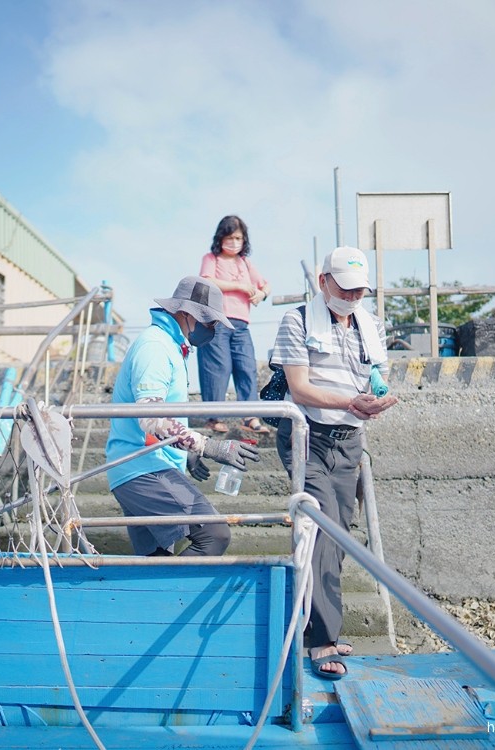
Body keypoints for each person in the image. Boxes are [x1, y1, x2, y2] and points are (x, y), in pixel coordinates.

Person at [270, 247, 399, 680]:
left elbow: (375, 370)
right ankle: (321, 640)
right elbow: (300, 388)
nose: (352, 297)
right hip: (308, 437)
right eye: (345, 288)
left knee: (339, 535)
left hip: (349, 439)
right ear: (323, 281)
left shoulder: (369, 323)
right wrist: (351, 401)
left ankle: (318, 623)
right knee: (322, 530)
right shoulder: (297, 321)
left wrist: (378, 391)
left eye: (360, 290)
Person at [106, 275, 261, 557]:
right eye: (209, 321)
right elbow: (150, 416)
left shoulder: (172, 346)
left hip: (142, 466)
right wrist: (208, 446)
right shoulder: (156, 347)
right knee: (214, 535)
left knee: (156, 563)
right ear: (188, 314)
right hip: (144, 468)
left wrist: (183, 453)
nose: (212, 328)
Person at [197, 215, 272, 435]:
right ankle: (213, 418)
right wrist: (239, 286)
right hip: (216, 321)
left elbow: (266, 285)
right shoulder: (211, 258)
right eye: (229, 238)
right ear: (220, 238)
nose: (234, 242)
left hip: (241, 325)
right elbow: (207, 280)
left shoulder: (246, 263)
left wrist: (261, 294)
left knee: (246, 367)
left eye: (238, 238)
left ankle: (250, 416)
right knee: (217, 369)